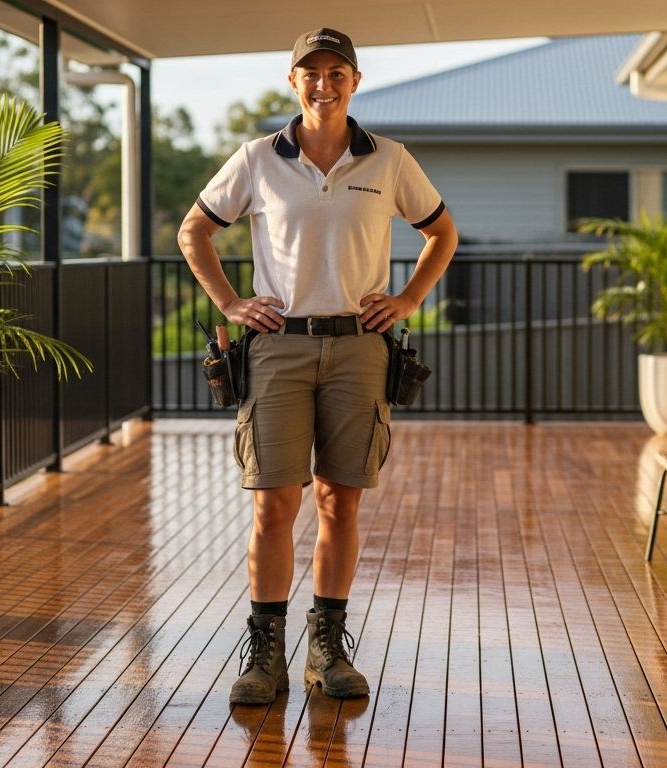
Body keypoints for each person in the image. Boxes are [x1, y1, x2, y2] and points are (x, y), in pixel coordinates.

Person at [177, 27, 457, 705]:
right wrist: (232, 302)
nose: (324, 84)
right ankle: (265, 652)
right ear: (292, 81)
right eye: (312, 73)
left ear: (355, 82)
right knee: (275, 503)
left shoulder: (389, 161)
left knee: (341, 499)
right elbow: (195, 231)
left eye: (337, 73)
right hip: (277, 347)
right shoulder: (256, 159)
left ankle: (326, 648)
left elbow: (442, 232)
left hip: (360, 348)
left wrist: (411, 297)